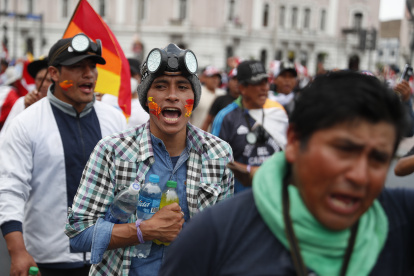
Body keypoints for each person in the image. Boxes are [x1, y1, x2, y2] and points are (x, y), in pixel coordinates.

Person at [159, 71, 413, 276]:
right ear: (294, 141)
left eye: (378, 159)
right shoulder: (213, 236)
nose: (359, 176)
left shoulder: (402, 221)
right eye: (343, 150)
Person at [65, 43, 234, 276]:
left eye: (183, 86)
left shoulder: (219, 154)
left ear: (193, 97)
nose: (173, 95)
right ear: (146, 98)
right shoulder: (112, 152)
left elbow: (225, 239)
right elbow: (78, 234)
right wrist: (144, 230)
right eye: (161, 86)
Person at [0, 33, 127, 276]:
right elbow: (10, 188)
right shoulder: (26, 123)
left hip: (107, 258)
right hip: (48, 260)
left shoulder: (115, 119)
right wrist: (17, 251)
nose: (88, 73)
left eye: (91, 66)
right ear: (54, 74)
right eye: (77, 67)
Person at [212, 60, 288, 193]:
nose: (264, 88)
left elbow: (289, 156)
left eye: (266, 82)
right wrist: (249, 171)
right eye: (257, 83)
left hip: (274, 199)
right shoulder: (226, 117)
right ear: (242, 88)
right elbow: (214, 164)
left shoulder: (278, 113)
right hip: (239, 202)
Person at [0, 57, 52, 135]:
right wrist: (26, 108)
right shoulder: (21, 102)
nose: (44, 84)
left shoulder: (60, 105)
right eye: (40, 79)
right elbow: (6, 134)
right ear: (35, 80)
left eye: (49, 80)